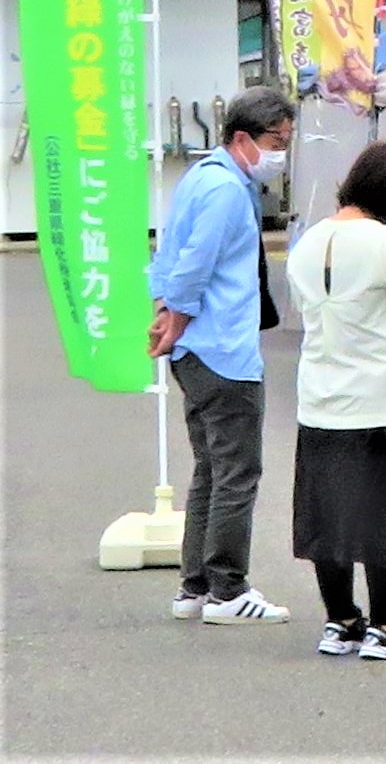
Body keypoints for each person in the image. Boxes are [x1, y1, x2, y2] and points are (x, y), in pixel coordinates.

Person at [286, 142, 386, 660]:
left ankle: (341, 620)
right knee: (383, 514)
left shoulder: (308, 241)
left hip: (321, 399)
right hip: (383, 402)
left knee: (327, 515)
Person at [149, 85, 294, 626]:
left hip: (198, 347)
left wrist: (166, 316)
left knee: (211, 470)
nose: (282, 152)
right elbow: (194, 265)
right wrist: (175, 318)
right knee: (237, 471)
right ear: (242, 138)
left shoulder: (203, 177)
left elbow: (170, 257)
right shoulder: (227, 190)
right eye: (276, 141)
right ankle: (228, 589)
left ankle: (196, 586)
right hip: (222, 349)